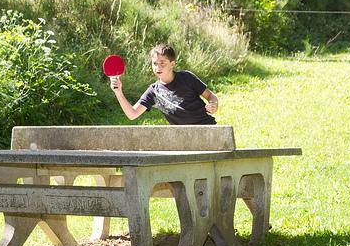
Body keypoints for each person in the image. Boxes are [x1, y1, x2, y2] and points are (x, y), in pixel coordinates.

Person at [109, 43, 262, 222]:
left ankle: (261, 220)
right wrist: (118, 91)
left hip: (209, 135)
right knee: (197, 185)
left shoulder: (187, 78)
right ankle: (207, 225)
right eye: (154, 63)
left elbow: (211, 96)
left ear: (173, 63)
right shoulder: (153, 91)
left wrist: (214, 104)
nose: (157, 67)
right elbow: (132, 114)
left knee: (234, 178)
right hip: (184, 143)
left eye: (162, 63)